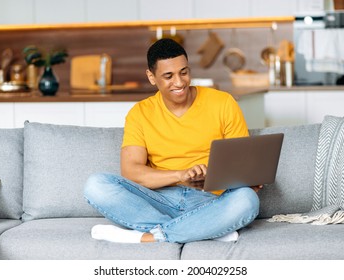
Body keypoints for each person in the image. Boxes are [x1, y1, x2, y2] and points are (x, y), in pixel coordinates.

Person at [84, 38, 260, 244]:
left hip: (212, 200)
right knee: (96, 185)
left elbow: (241, 162)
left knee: (247, 199)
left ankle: (153, 236)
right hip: (159, 200)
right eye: (168, 76)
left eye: (184, 72)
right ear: (151, 77)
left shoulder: (223, 103)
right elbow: (131, 171)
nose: (179, 82)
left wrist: (248, 177)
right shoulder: (140, 113)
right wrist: (180, 175)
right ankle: (204, 229)